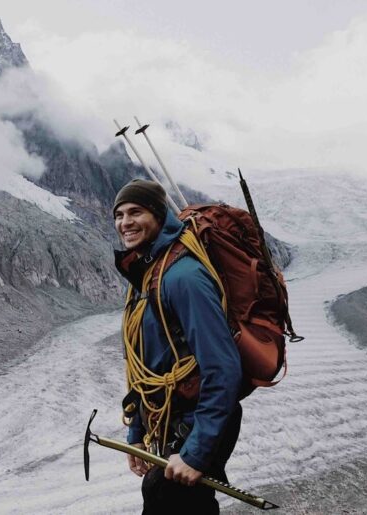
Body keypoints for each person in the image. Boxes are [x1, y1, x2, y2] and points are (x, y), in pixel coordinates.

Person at [112, 179, 243, 514]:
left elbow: (222, 366)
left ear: (158, 214)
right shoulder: (145, 275)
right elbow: (148, 365)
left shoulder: (183, 277)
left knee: (166, 498)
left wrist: (197, 452)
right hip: (170, 420)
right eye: (119, 214)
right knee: (166, 498)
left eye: (136, 212)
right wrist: (137, 435)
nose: (125, 222)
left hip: (198, 420)